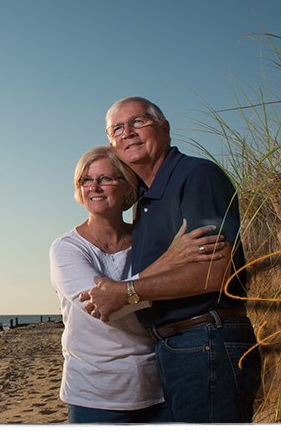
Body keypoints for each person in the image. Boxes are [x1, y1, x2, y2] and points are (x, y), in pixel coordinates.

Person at [81, 96, 262, 423]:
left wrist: (125, 292)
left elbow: (214, 272)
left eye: (139, 122)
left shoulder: (196, 177)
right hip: (177, 348)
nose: (128, 133)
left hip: (206, 339)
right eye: (117, 129)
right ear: (112, 143)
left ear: (164, 128)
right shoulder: (147, 199)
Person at [50, 146, 230, 424]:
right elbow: (102, 306)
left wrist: (130, 289)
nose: (94, 187)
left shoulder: (146, 240)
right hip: (96, 392)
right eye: (86, 180)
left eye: (106, 179)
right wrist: (169, 261)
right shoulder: (66, 249)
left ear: (127, 188)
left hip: (158, 386)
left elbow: (128, 294)